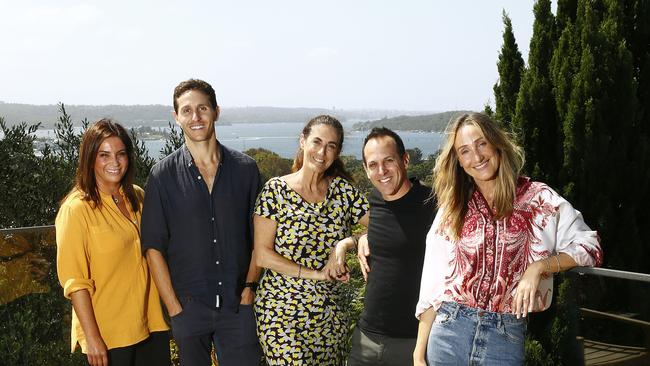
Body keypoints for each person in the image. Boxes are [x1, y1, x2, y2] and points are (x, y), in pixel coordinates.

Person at [413, 113, 604, 365]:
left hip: (504, 337)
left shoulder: (539, 199)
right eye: (465, 151)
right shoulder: (454, 206)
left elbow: (590, 245)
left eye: (481, 143)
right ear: (459, 161)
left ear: (496, 143)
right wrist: (418, 354)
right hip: (449, 331)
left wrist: (540, 267)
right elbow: (432, 284)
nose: (477, 156)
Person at [140, 79, 262, 366]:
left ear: (216, 112)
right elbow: (153, 247)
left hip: (238, 305)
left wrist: (250, 288)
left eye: (202, 108)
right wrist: (174, 307)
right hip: (188, 309)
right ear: (176, 117)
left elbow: (261, 237)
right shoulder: (162, 176)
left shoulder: (246, 170)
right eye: (187, 110)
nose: (195, 117)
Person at [253, 114, 369, 365]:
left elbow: (385, 227)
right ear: (302, 141)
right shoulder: (276, 191)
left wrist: (345, 244)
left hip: (330, 316)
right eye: (317, 142)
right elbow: (262, 255)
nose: (322, 151)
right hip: (281, 314)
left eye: (331, 146)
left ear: (337, 153)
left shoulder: (343, 191)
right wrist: (314, 275)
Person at [56, 119, 170, 366]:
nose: (114, 162)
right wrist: (93, 338)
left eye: (120, 154)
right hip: (109, 336)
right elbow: (75, 282)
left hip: (151, 324)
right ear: (89, 159)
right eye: (104, 155)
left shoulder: (138, 196)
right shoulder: (76, 210)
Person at [341, 127, 436, 366]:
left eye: (388, 161)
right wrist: (356, 239)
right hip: (366, 339)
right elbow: (387, 234)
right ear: (365, 169)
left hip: (413, 344)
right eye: (373, 165)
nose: (381, 171)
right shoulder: (374, 200)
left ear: (405, 160)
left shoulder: (433, 204)